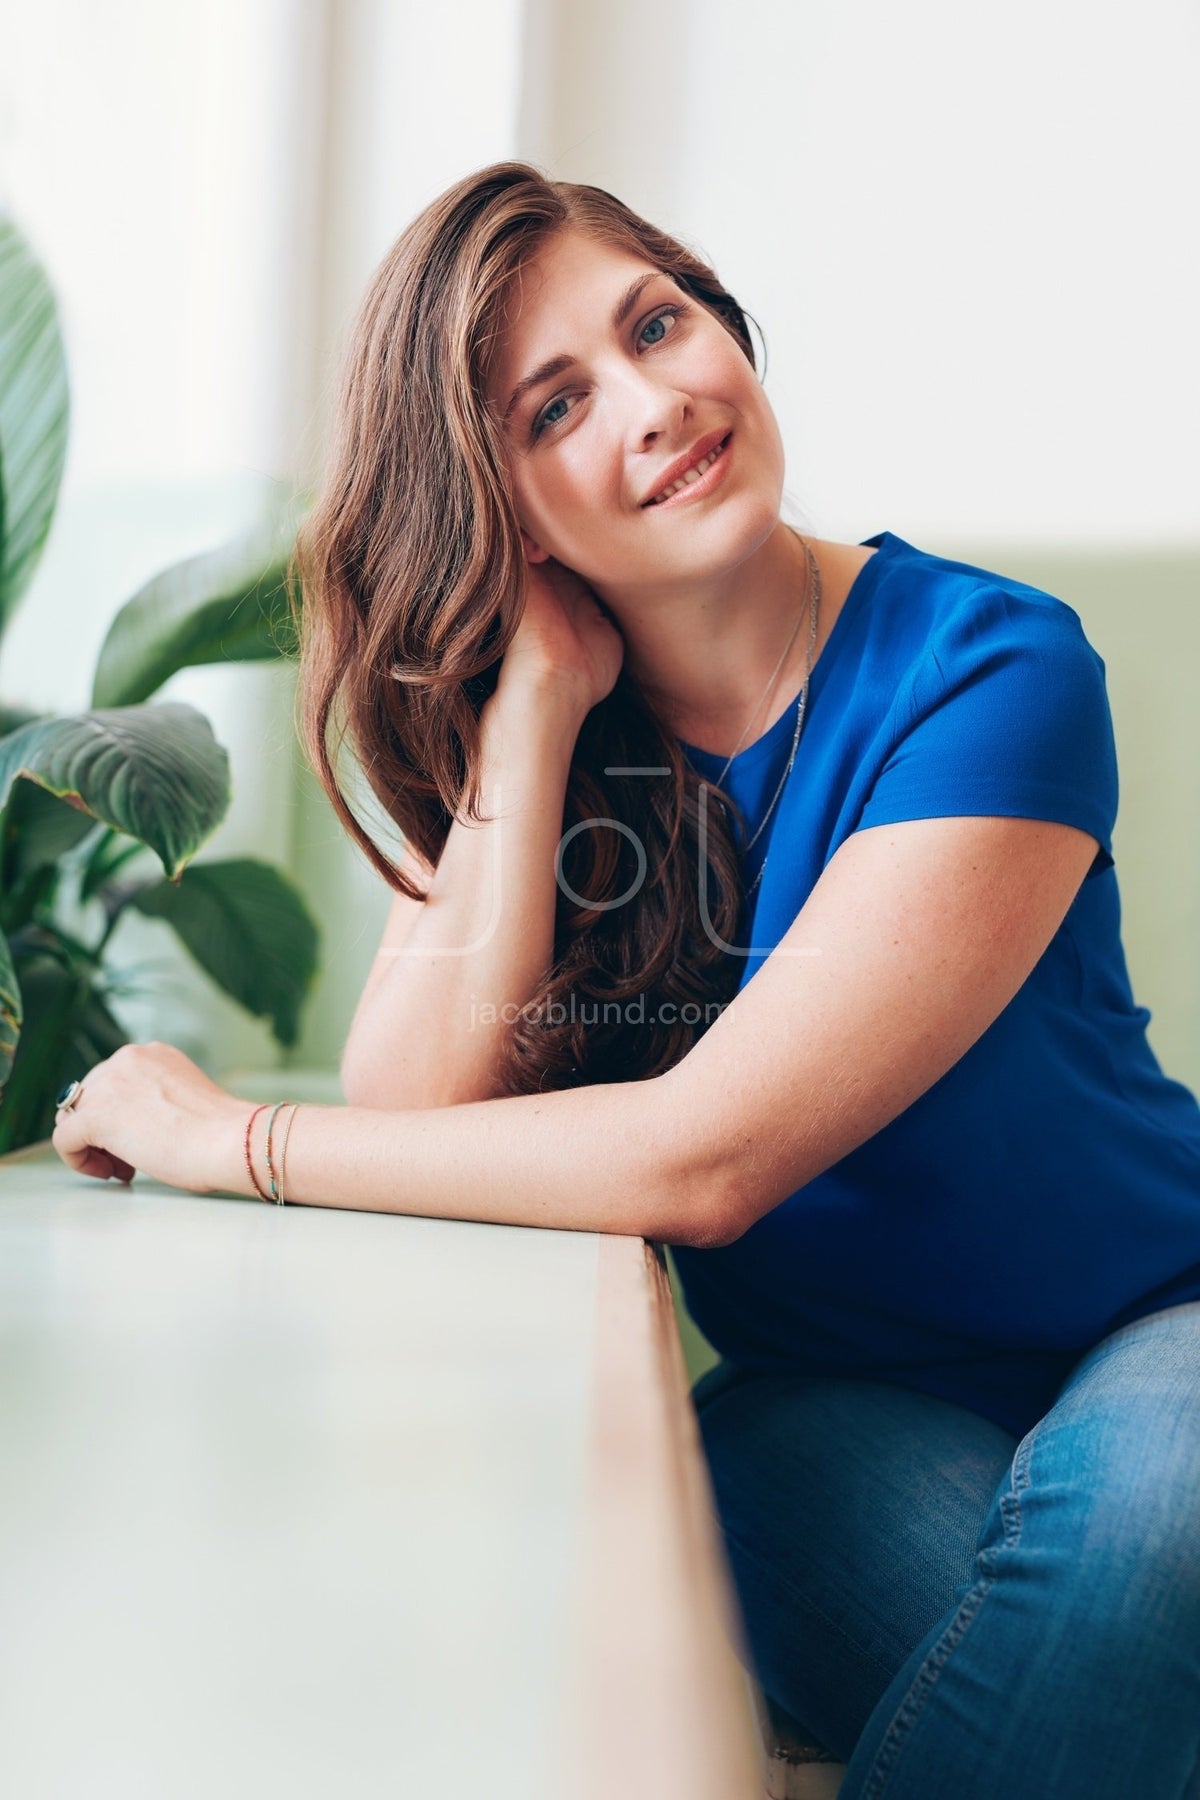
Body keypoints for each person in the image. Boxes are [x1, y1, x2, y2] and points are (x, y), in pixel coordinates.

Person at [51, 163, 1200, 1795]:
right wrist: (535, 703)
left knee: (1158, 1535)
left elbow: (708, 1160)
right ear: (502, 506)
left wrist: (229, 1141)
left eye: (658, 323)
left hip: (1155, 1327)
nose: (659, 400)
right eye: (557, 405)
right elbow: (418, 1103)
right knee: (1106, 1667)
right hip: (825, 1401)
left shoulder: (996, 667)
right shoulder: (568, 752)